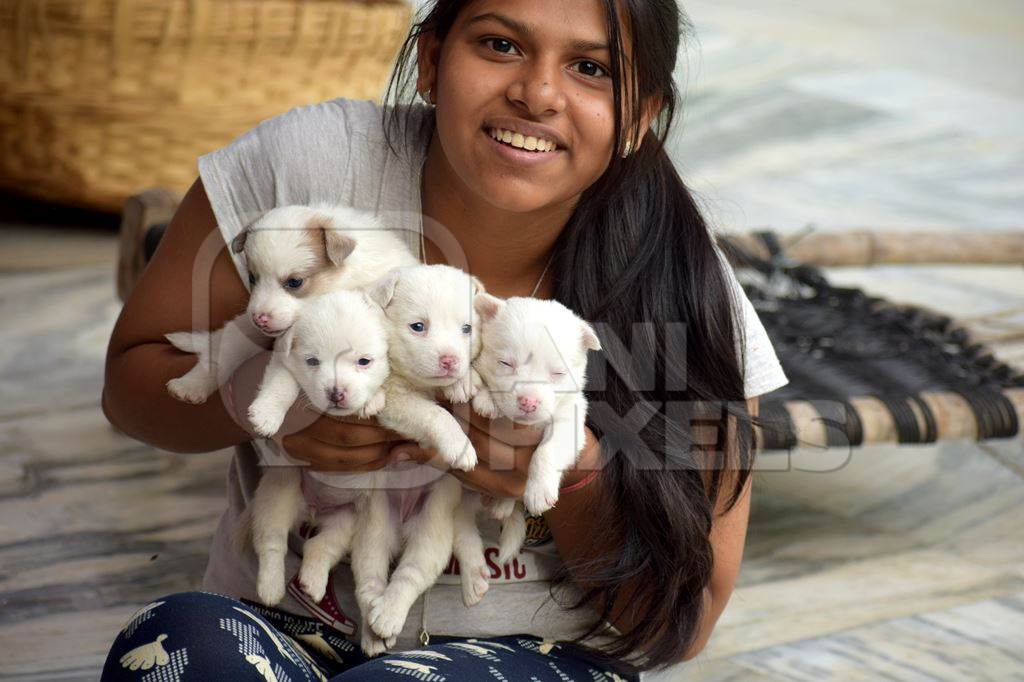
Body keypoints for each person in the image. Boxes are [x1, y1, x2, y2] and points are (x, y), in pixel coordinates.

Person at [100, 0, 789, 679]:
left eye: (590, 67)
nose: (538, 94)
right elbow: (132, 380)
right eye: (499, 45)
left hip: (536, 654)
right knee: (174, 646)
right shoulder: (310, 172)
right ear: (431, 58)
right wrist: (260, 395)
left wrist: (571, 475)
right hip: (282, 628)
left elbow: (688, 618)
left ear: (641, 117)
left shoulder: (685, 282)